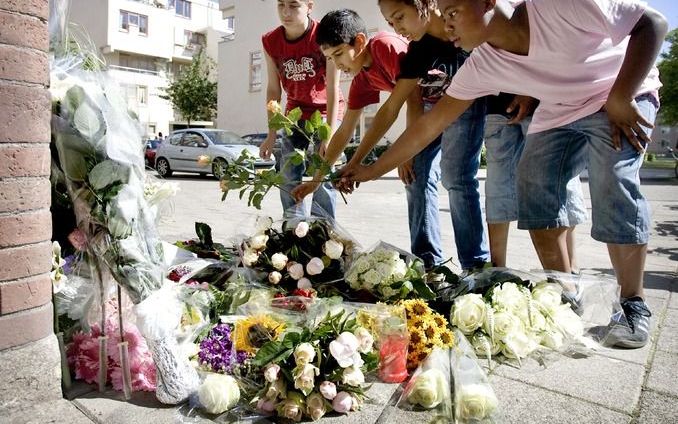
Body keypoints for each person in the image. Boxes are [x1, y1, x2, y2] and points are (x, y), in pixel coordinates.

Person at [342, 0, 666, 348]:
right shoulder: (482, 62)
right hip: (559, 111)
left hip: (619, 93)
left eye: (452, 13)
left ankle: (634, 305)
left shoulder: (556, 7)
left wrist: (621, 95)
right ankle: (566, 294)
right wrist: (371, 169)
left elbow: (652, 24)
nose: (447, 26)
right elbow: (428, 127)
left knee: (611, 179)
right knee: (533, 186)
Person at [291, 9, 444, 268]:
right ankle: (427, 260)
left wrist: (406, 153)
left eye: (338, 54)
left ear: (359, 42)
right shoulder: (362, 79)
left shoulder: (385, 46)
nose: (337, 65)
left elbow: (410, 99)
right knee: (416, 182)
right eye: (330, 58)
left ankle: (432, 263)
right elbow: (345, 130)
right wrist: (319, 180)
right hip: (427, 109)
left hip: (442, 100)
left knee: (421, 175)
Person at [345, 0, 491, 271]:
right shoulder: (417, 51)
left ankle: (475, 264)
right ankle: (428, 262)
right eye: (391, 23)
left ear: (423, 4)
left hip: (466, 108)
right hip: (430, 112)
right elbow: (391, 108)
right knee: (415, 174)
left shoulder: (461, 32)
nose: (397, 28)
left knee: (457, 177)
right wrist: (357, 162)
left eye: (400, 17)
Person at [259, 0, 344, 219]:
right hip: (295, 112)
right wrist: (271, 134)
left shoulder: (323, 35)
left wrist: (329, 134)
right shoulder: (271, 41)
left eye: (294, 5)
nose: (286, 12)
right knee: (288, 174)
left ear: (309, 6)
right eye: (280, 5)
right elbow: (272, 90)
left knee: (324, 174)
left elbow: (334, 88)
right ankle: (294, 230)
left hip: (326, 111)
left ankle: (323, 232)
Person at [483, 93, 587, 268]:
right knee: (498, 183)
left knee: (560, 178)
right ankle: (497, 268)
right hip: (503, 103)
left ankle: (571, 266)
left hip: (543, 103)